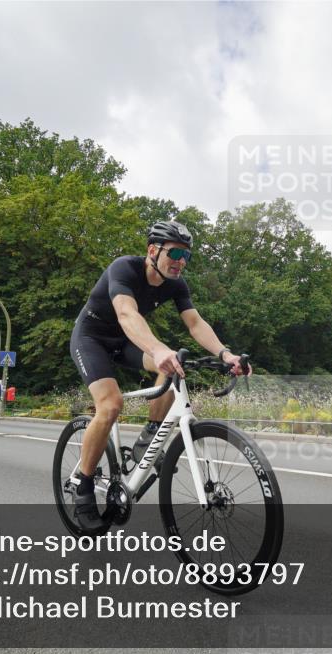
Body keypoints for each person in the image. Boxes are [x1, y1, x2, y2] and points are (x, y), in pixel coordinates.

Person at [69, 221, 249, 530]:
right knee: (111, 405)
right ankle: (82, 486)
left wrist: (226, 355)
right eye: (175, 253)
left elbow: (195, 324)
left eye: (186, 256)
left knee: (175, 367)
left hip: (125, 342)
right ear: (153, 250)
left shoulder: (176, 284)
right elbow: (126, 313)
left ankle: (149, 435)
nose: (181, 261)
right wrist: (157, 349)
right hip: (91, 338)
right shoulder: (124, 268)